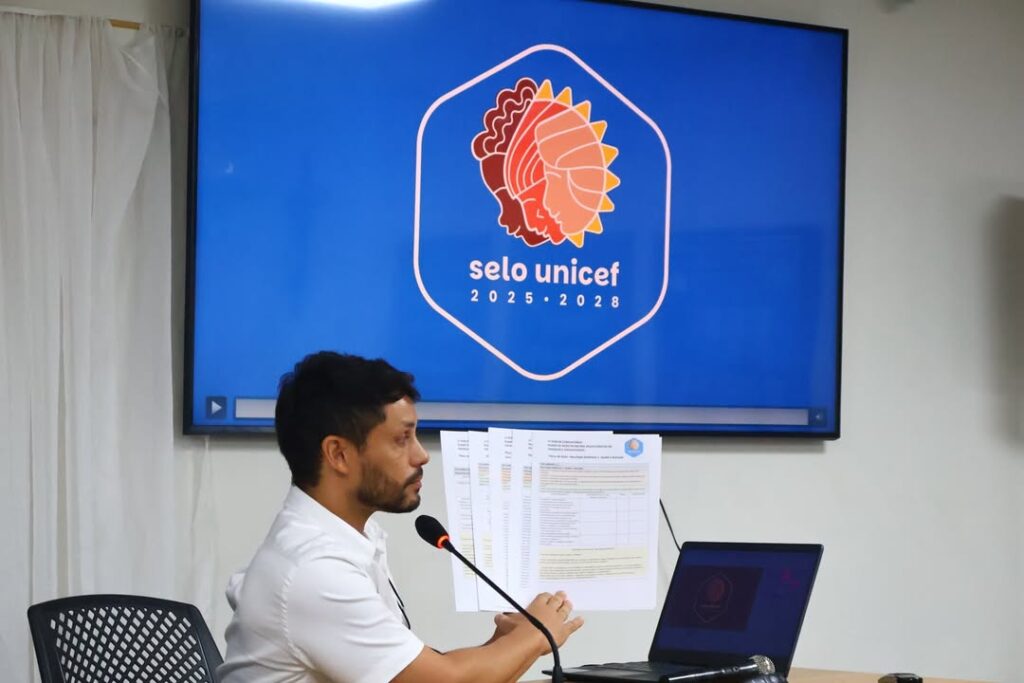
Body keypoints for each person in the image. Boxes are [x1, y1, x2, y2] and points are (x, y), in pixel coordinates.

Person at [218, 351, 584, 683]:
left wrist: (505, 644)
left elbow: (415, 671)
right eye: (401, 439)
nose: (421, 455)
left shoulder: (348, 540)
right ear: (338, 454)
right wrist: (536, 635)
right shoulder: (314, 570)